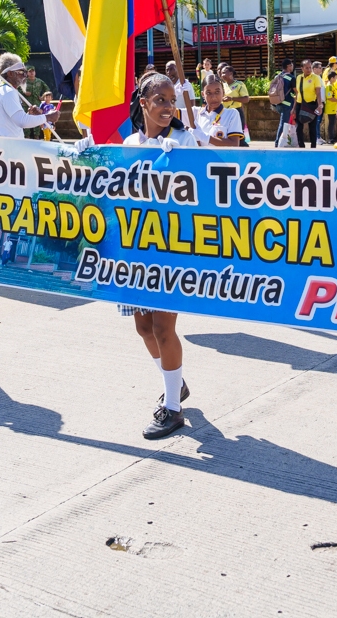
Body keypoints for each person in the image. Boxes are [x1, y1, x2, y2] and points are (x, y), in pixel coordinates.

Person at [121, 70, 196, 440]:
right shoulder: (129, 142)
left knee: (165, 327)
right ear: (143, 103)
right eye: (160, 101)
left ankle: (173, 409)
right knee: (143, 327)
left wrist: (185, 158)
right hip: (136, 249)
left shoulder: (185, 140)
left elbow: (210, 182)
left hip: (172, 249)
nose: (168, 107)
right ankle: (175, 383)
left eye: (171, 100)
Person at [0, 53, 51, 138]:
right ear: (10, 74)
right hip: (9, 147)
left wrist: (29, 115)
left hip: (6, 146)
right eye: (22, 72)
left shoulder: (5, 91)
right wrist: (48, 117)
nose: (25, 75)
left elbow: (14, 123)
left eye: (25, 72)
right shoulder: (8, 92)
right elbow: (22, 121)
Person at [193, 73, 245, 146]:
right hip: (202, 157)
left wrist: (206, 138)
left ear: (223, 92)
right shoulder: (197, 113)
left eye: (217, 92)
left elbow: (234, 144)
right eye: (208, 93)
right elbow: (173, 112)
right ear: (203, 94)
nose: (213, 97)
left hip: (223, 157)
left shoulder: (232, 114)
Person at [294, 58, 323, 148]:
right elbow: (297, 93)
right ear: (302, 68)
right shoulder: (299, 78)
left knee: (312, 127)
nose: (309, 70)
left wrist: (319, 105)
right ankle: (301, 145)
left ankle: (313, 146)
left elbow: (318, 93)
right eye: (306, 68)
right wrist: (293, 108)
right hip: (300, 104)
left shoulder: (315, 78)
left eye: (310, 67)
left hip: (311, 105)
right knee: (299, 127)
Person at [269, 58, 296, 147]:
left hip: (278, 103)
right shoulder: (291, 78)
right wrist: (294, 107)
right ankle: (278, 143)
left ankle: (285, 141)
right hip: (287, 104)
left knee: (284, 123)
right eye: (291, 65)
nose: (292, 67)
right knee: (283, 123)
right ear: (288, 66)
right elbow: (296, 92)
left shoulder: (278, 76)